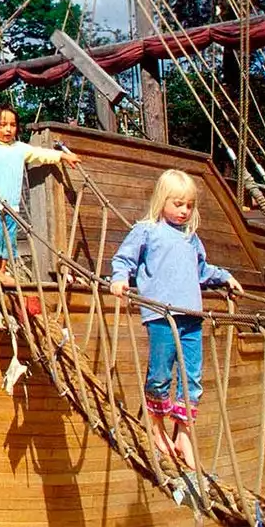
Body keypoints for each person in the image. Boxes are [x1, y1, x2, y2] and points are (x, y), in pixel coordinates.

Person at [108, 169, 244, 471]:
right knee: (160, 373)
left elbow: (201, 271)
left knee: (191, 377)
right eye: (178, 204)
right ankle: (155, 425)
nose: (183, 211)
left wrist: (224, 278)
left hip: (191, 317)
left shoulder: (190, 238)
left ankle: (183, 433)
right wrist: (119, 279)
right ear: (162, 201)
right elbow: (123, 259)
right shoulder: (148, 230)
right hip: (161, 315)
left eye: (189, 206)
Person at [0, 106, 82, 286]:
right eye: (3, 125)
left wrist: (62, 156)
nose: (8, 129)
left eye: (12, 125)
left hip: (11, 206)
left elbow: (40, 154)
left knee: (8, 240)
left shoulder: (20, 148)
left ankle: (2, 271)